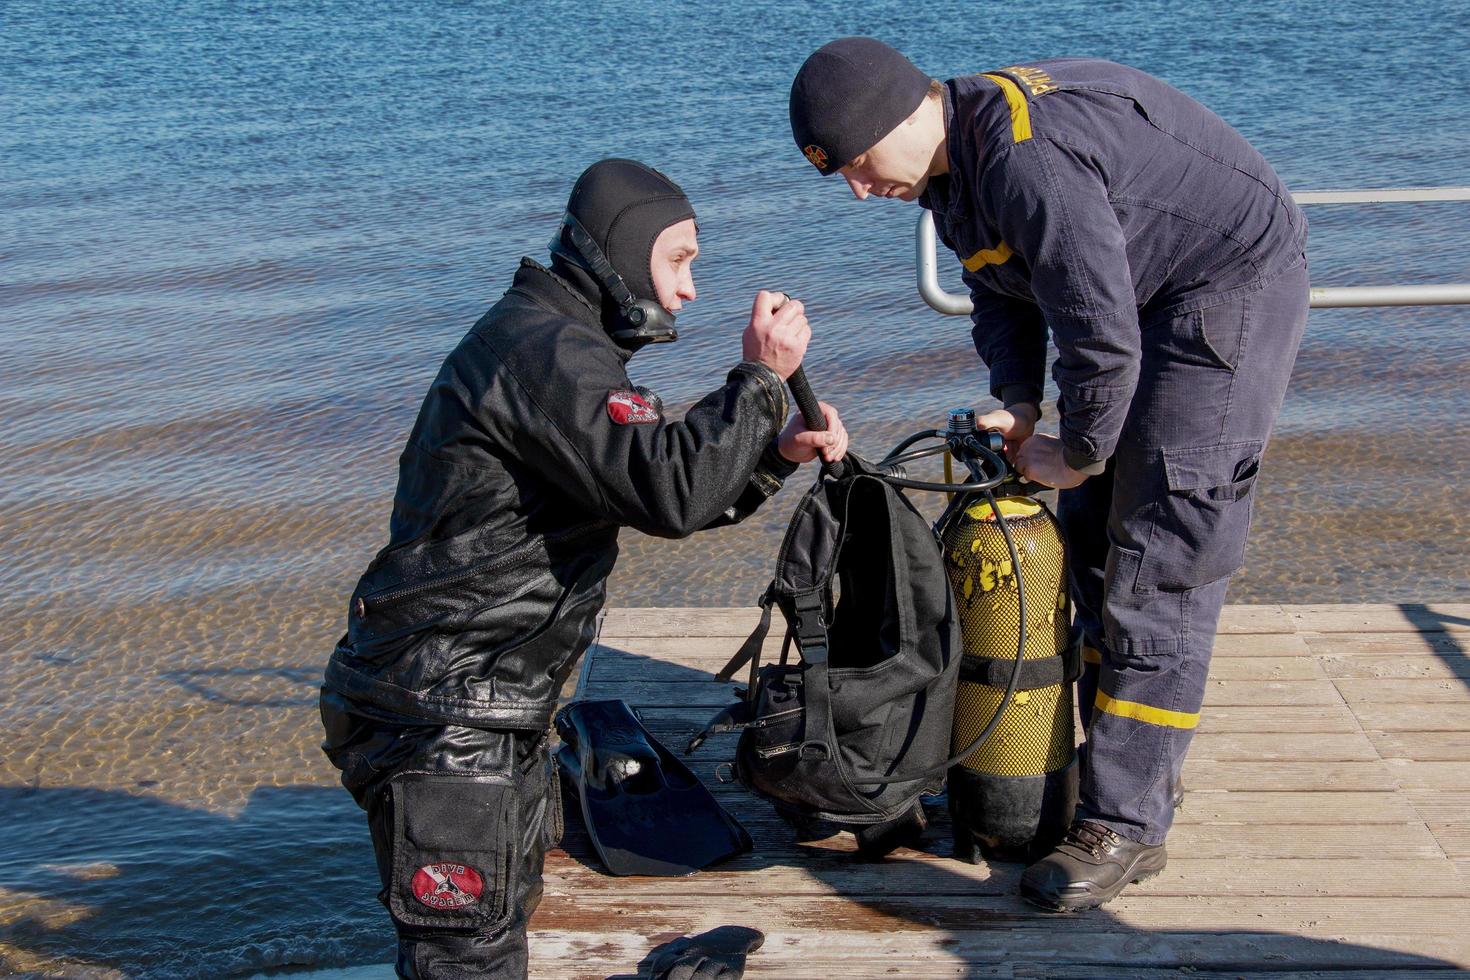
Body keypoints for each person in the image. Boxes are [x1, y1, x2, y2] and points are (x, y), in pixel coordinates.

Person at [789, 38, 1308, 911]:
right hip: (1141, 288)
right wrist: (1021, 402)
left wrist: (1077, 451)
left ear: (900, 114)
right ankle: (1128, 774)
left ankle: (1126, 825)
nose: (856, 188)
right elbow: (1003, 291)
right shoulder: (953, 174)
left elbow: (1101, 339)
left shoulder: (1029, 161)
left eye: (857, 163)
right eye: (838, 175)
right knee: (1096, 541)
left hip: (1227, 286)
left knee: (1162, 557)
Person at [319, 157, 848, 977]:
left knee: (497, 923)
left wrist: (773, 457)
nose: (688, 290)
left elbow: (657, 488)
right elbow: (668, 488)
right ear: (622, 249)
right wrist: (757, 379)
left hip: (477, 701)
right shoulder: (545, 352)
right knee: (467, 954)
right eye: (678, 261)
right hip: (446, 718)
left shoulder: (556, 343)